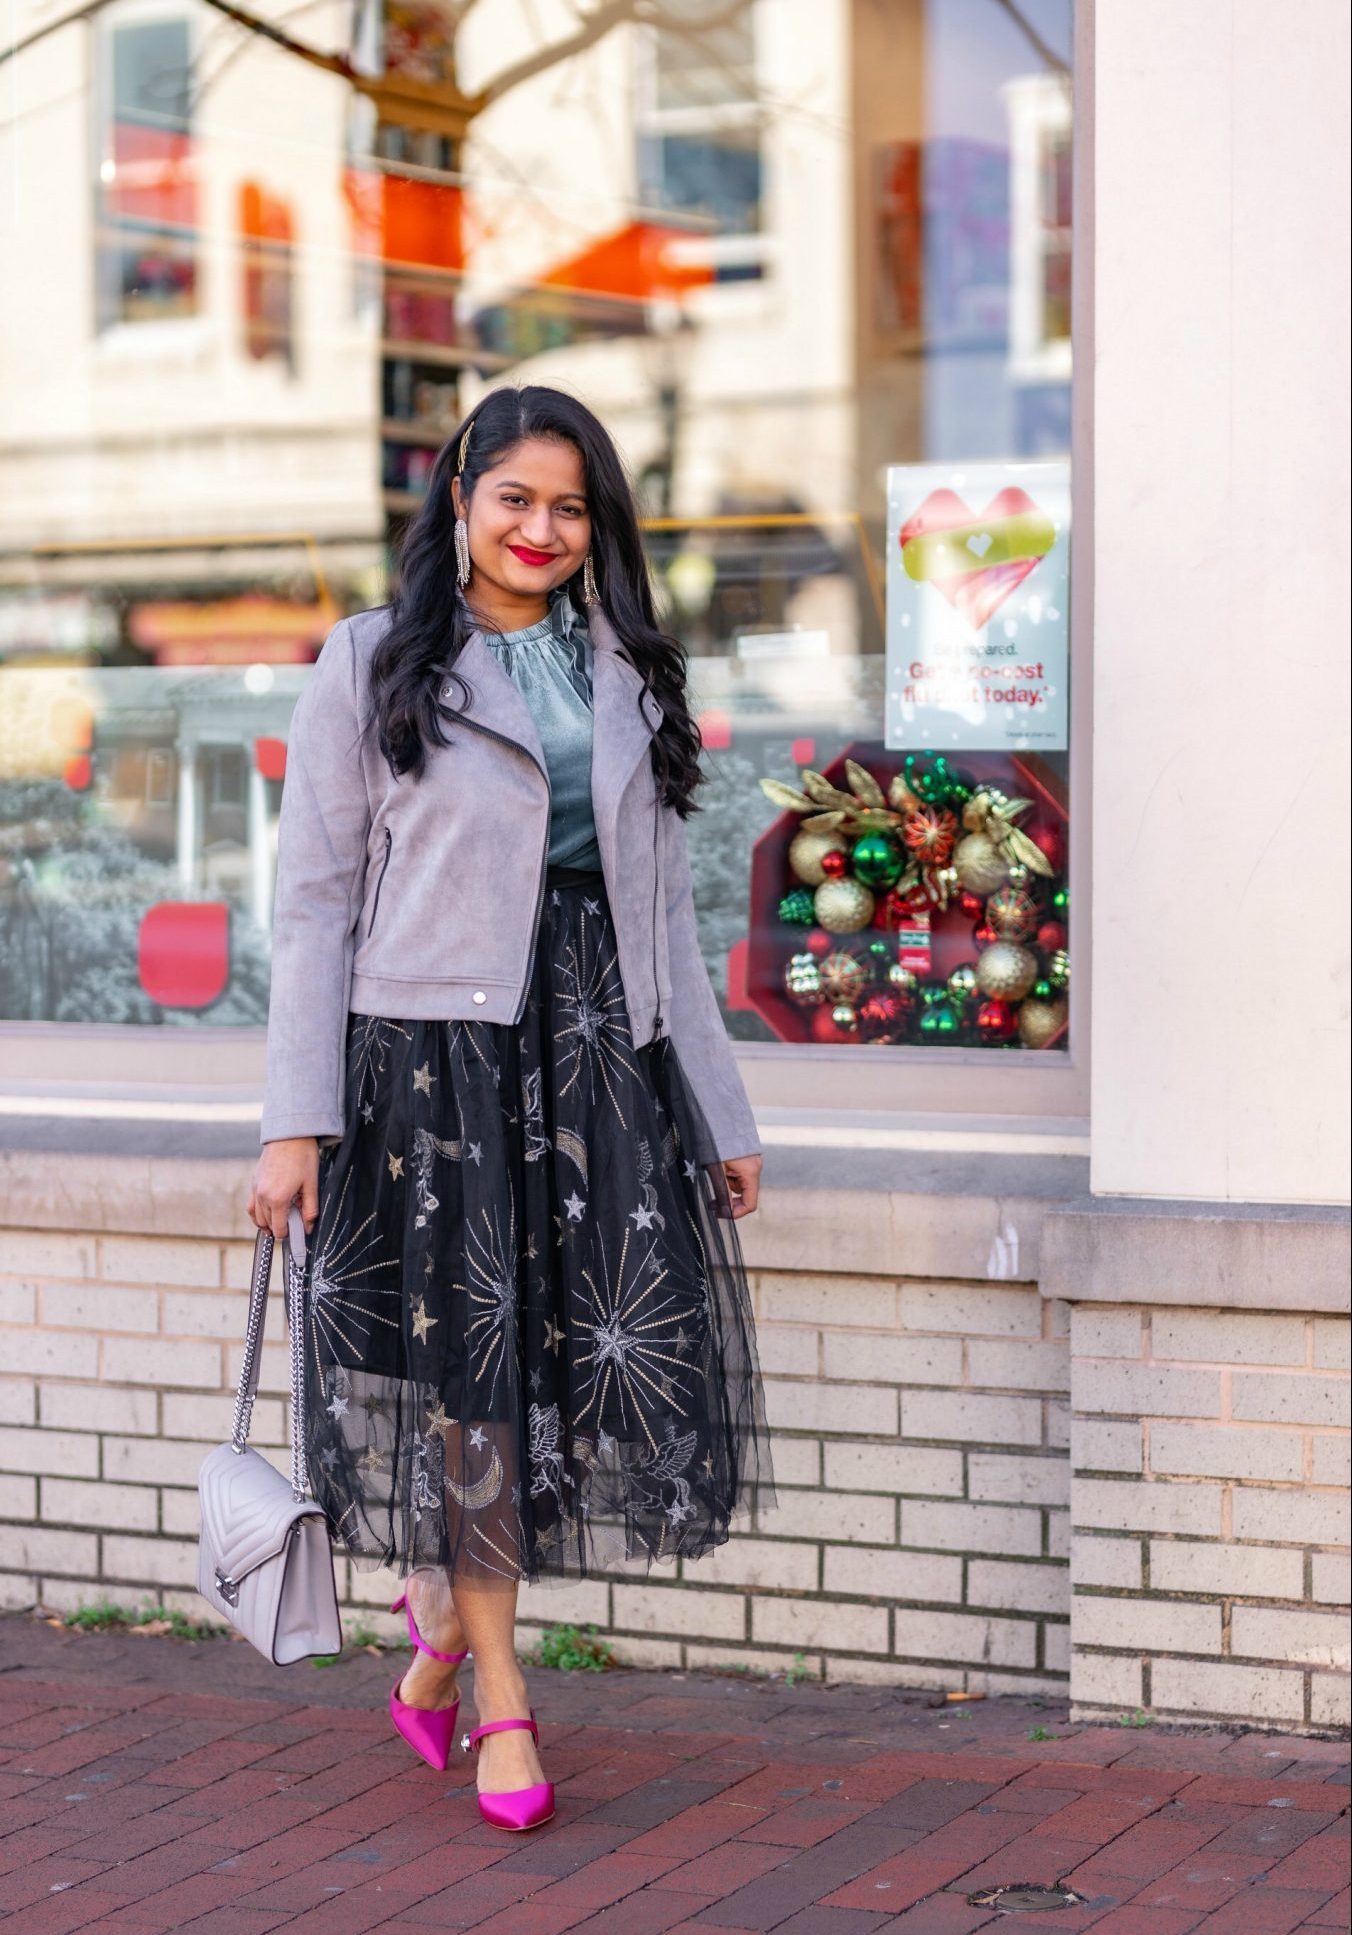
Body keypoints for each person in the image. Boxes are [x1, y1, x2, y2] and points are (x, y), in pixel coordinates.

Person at [248, 383, 770, 1832]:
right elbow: (312, 907)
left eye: (572, 507)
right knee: (476, 1394)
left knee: (578, 1378)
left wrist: (720, 1115)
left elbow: (666, 923)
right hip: (437, 1072)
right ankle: (503, 1700)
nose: (541, 532)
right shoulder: (373, 665)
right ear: (461, 498)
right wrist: (296, 1118)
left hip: (599, 1062)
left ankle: (434, 1635)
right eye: (514, 500)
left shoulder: (632, 680)